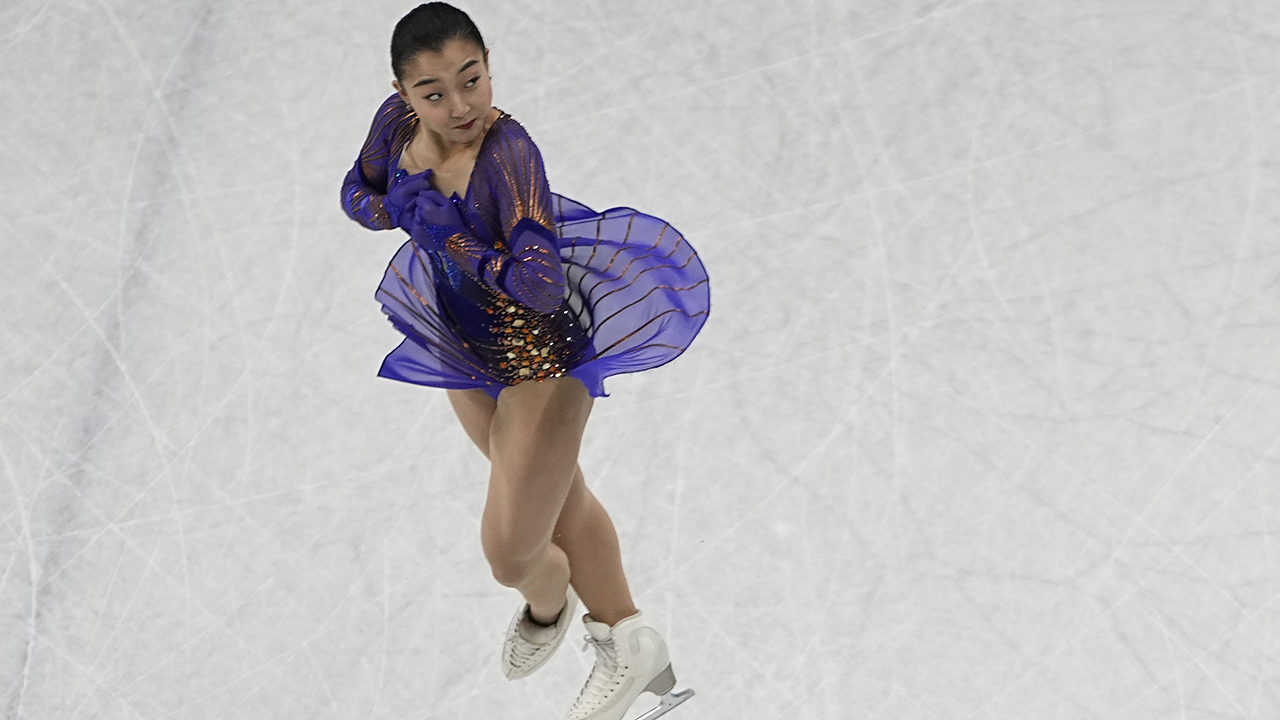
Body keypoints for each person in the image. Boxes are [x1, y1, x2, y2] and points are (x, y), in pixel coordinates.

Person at [339, 4, 709, 719]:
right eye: (434, 92)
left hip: (540, 362)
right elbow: (357, 194)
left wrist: (453, 244)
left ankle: (551, 603)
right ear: (403, 92)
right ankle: (630, 640)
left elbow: (539, 284)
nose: (459, 105)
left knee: (511, 555)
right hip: (465, 348)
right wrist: (397, 210)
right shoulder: (396, 126)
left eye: (471, 80)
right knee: (560, 499)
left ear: (488, 67)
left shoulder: (509, 155)